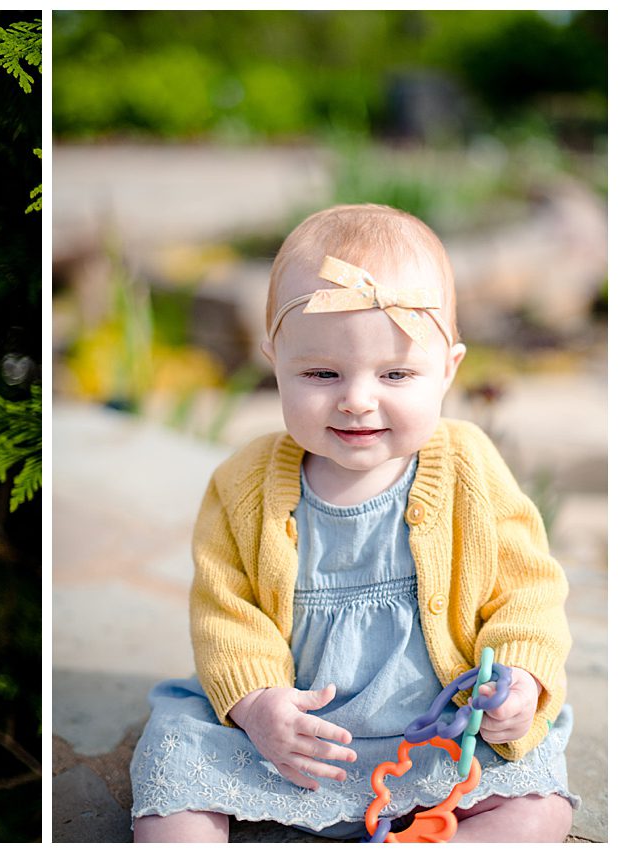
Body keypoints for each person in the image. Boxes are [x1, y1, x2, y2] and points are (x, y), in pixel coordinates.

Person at [130, 205, 573, 842]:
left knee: (539, 806)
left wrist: (521, 679)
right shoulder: (243, 483)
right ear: (273, 360)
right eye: (320, 373)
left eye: (395, 374)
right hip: (298, 739)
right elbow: (225, 610)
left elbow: (528, 589)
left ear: (448, 369)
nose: (358, 399)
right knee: (174, 775)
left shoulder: (470, 465)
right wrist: (258, 703)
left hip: (437, 729)